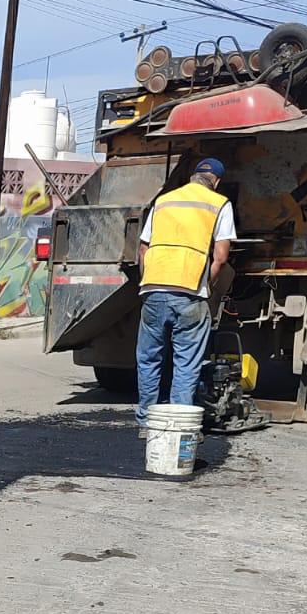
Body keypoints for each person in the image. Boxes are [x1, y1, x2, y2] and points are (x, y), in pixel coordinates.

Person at [134, 156, 235, 432]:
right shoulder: (219, 203)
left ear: (192, 176)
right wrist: (208, 287)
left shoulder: (164, 201)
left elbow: (143, 248)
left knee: (149, 358)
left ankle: (146, 423)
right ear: (216, 181)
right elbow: (222, 256)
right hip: (190, 291)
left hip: (154, 289)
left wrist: (149, 278)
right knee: (186, 362)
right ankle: (179, 427)